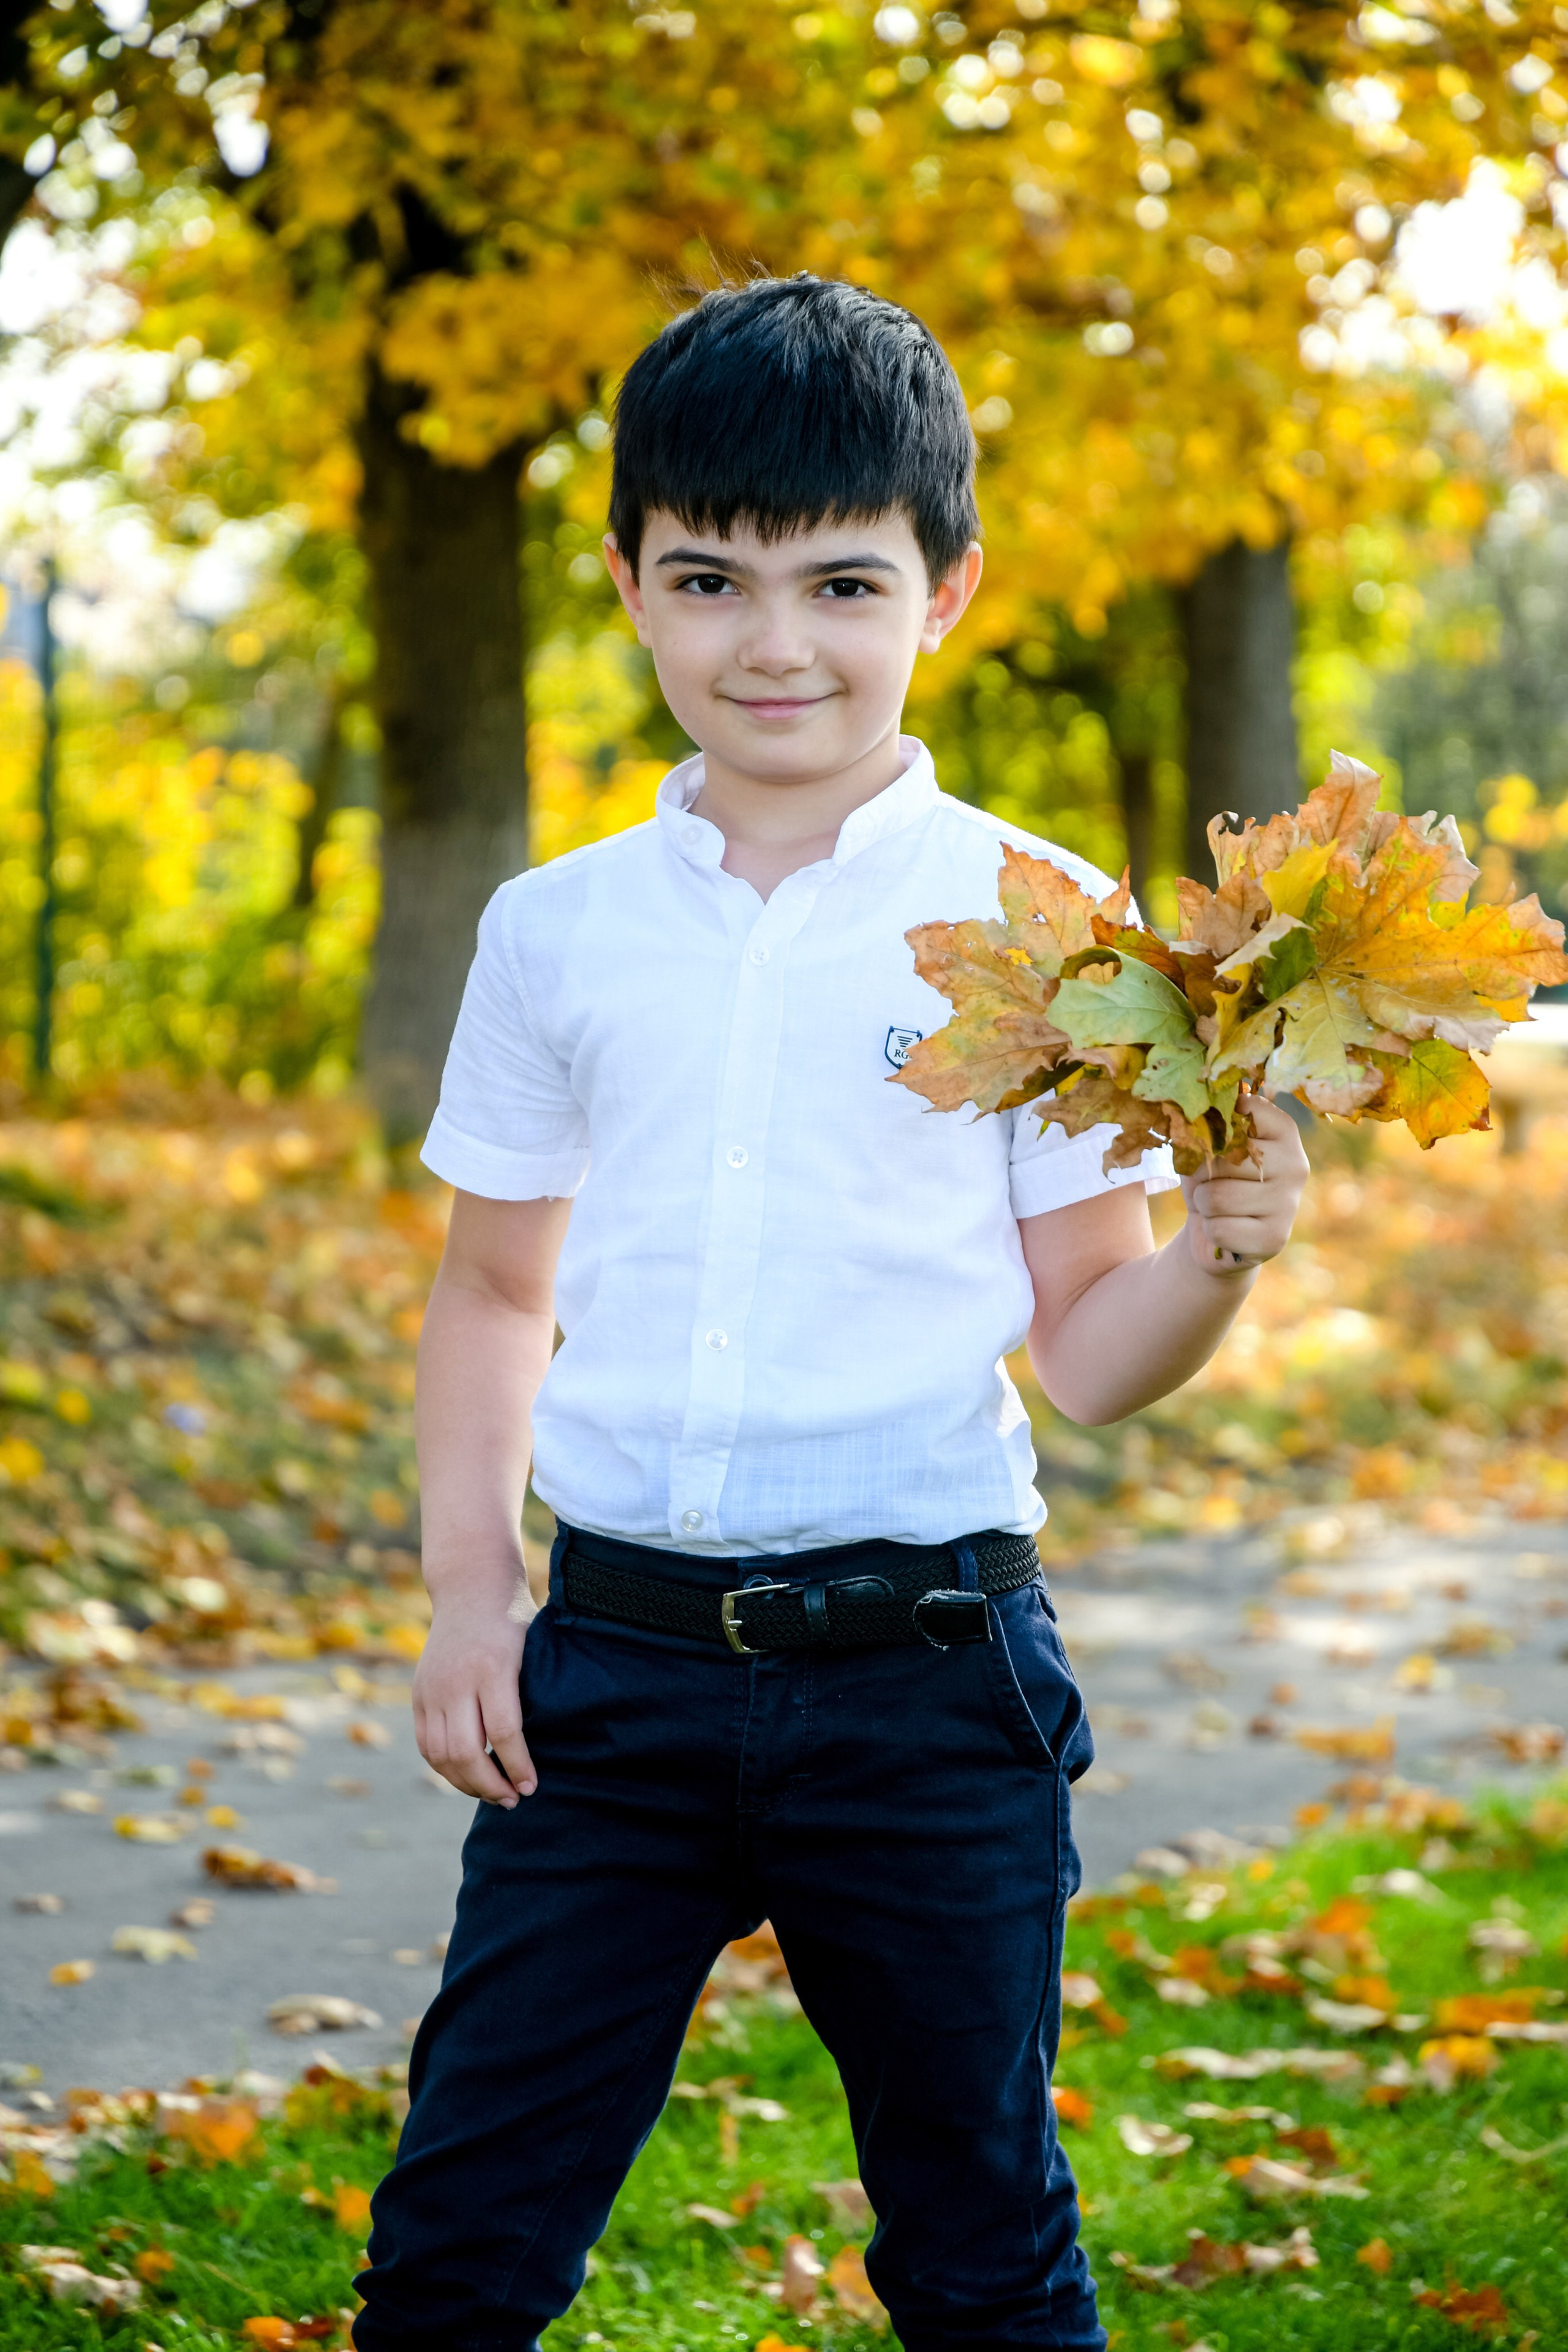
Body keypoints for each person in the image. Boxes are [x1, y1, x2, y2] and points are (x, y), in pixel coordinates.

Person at [353, 273, 1309, 2352]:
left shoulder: (1049, 932)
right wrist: (467, 1597)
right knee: (457, 2250)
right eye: (712, 579)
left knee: (982, 2252)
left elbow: (1089, 1351)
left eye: (842, 583)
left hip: (931, 1685)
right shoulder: (555, 931)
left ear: (946, 589)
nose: (774, 642)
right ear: (630, 583)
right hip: (607, 1684)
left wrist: (1215, 1258)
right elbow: (497, 1286)